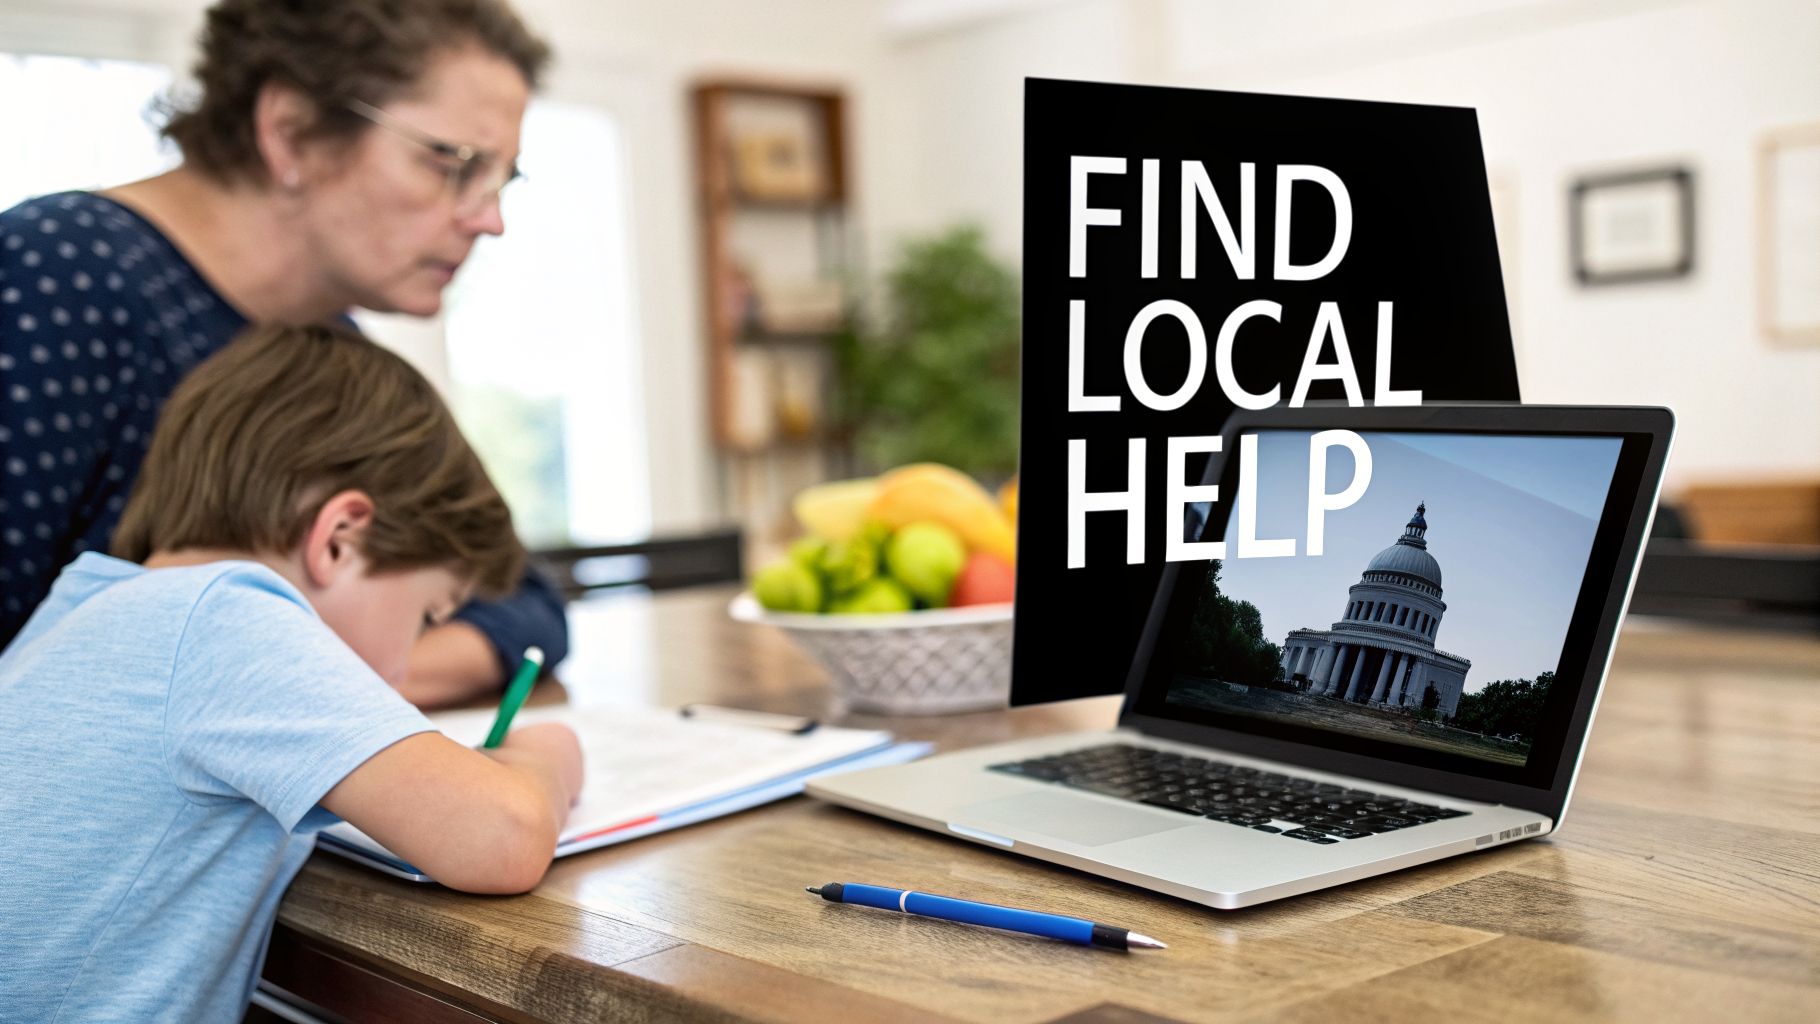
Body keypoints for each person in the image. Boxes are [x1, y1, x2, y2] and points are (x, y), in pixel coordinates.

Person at [0, 322, 584, 1022]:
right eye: (428, 612)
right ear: (339, 539)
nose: (402, 668)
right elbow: (502, 837)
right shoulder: (227, 620)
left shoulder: (76, 605)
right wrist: (544, 757)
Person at [0, 0, 565, 706]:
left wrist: (310, 706)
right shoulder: (48, 278)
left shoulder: (326, 346)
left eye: (501, 178)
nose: (490, 218)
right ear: (291, 132)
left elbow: (517, 595)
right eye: (452, 162)